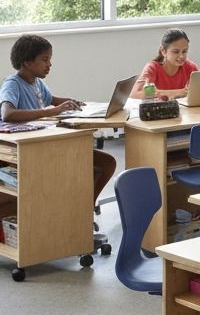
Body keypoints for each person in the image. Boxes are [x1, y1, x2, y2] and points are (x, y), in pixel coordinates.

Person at [0, 34, 116, 204]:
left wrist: (71, 102)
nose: (49, 64)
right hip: (27, 148)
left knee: (107, 163)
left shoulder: (36, 82)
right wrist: (52, 111)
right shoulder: (12, 84)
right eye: (45, 60)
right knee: (76, 167)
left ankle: (85, 209)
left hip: (44, 142)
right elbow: (7, 114)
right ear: (27, 62)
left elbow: (51, 99)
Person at [132, 28, 198, 98]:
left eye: (184, 51)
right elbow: (135, 94)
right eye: (176, 52)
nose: (181, 56)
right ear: (163, 50)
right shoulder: (152, 68)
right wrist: (179, 92)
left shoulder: (190, 67)